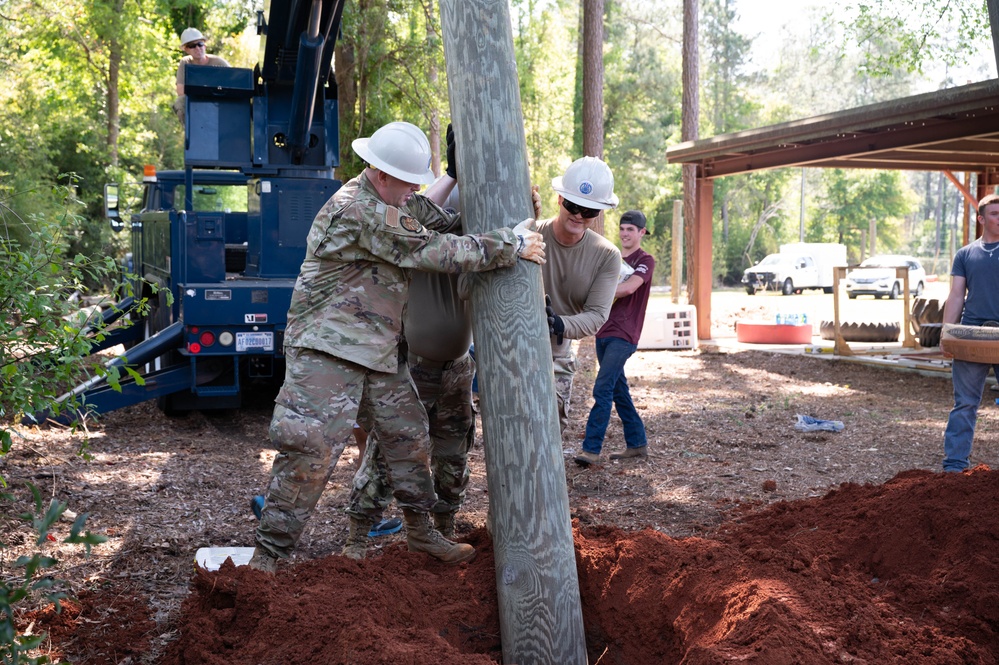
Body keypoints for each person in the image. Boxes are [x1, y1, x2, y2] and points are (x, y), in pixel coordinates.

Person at [248, 121, 546, 573]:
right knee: (309, 451)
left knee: (408, 438)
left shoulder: (383, 199)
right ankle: (267, 558)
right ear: (380, 173)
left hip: (375, 351)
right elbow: (435, 251)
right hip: (327, 350)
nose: (413, 190)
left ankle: (420, 530)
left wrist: (489, 204)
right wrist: (512, 244)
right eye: (408, 181)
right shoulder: (358, 211)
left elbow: (429, 216)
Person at [540, 156, 621, 440]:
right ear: (560, 199)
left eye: (588, 211)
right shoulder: (530, 234)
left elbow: (598, 315)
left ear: (599, 212)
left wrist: (559, 324)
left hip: (557, 355)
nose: (578, 215)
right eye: (573, 206)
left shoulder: (606, 255)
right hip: (513, 349)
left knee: (549, 434)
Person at [575, 210, 655, 465]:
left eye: (631, 229)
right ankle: (637, 444)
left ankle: (591, 450)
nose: (625, 234)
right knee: (619, 391)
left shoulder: (645, 260)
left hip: (624, 335)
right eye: (622, 229)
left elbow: (629, 287)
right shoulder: (613, 258)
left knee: (602, 388)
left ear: (641, 232)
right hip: (603, 332)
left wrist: (596, 293)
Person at [941, 193, 999, 472]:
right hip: (971, 334)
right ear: (981, 219)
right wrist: (947, 333)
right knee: (964, 404)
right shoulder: (965, 254)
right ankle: (954, 467)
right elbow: (955, 295)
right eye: (995, 214)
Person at [173, 28, 230, 125]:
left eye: (200, 44)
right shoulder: (185, 63)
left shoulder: (220, 63)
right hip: (195, 101)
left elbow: (234, 84)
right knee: (180, 102)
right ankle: (191, 133)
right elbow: (180, 91)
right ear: (186, 49)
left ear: (205, 45)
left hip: (219, 101)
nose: (197, 48)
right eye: (192, 46)